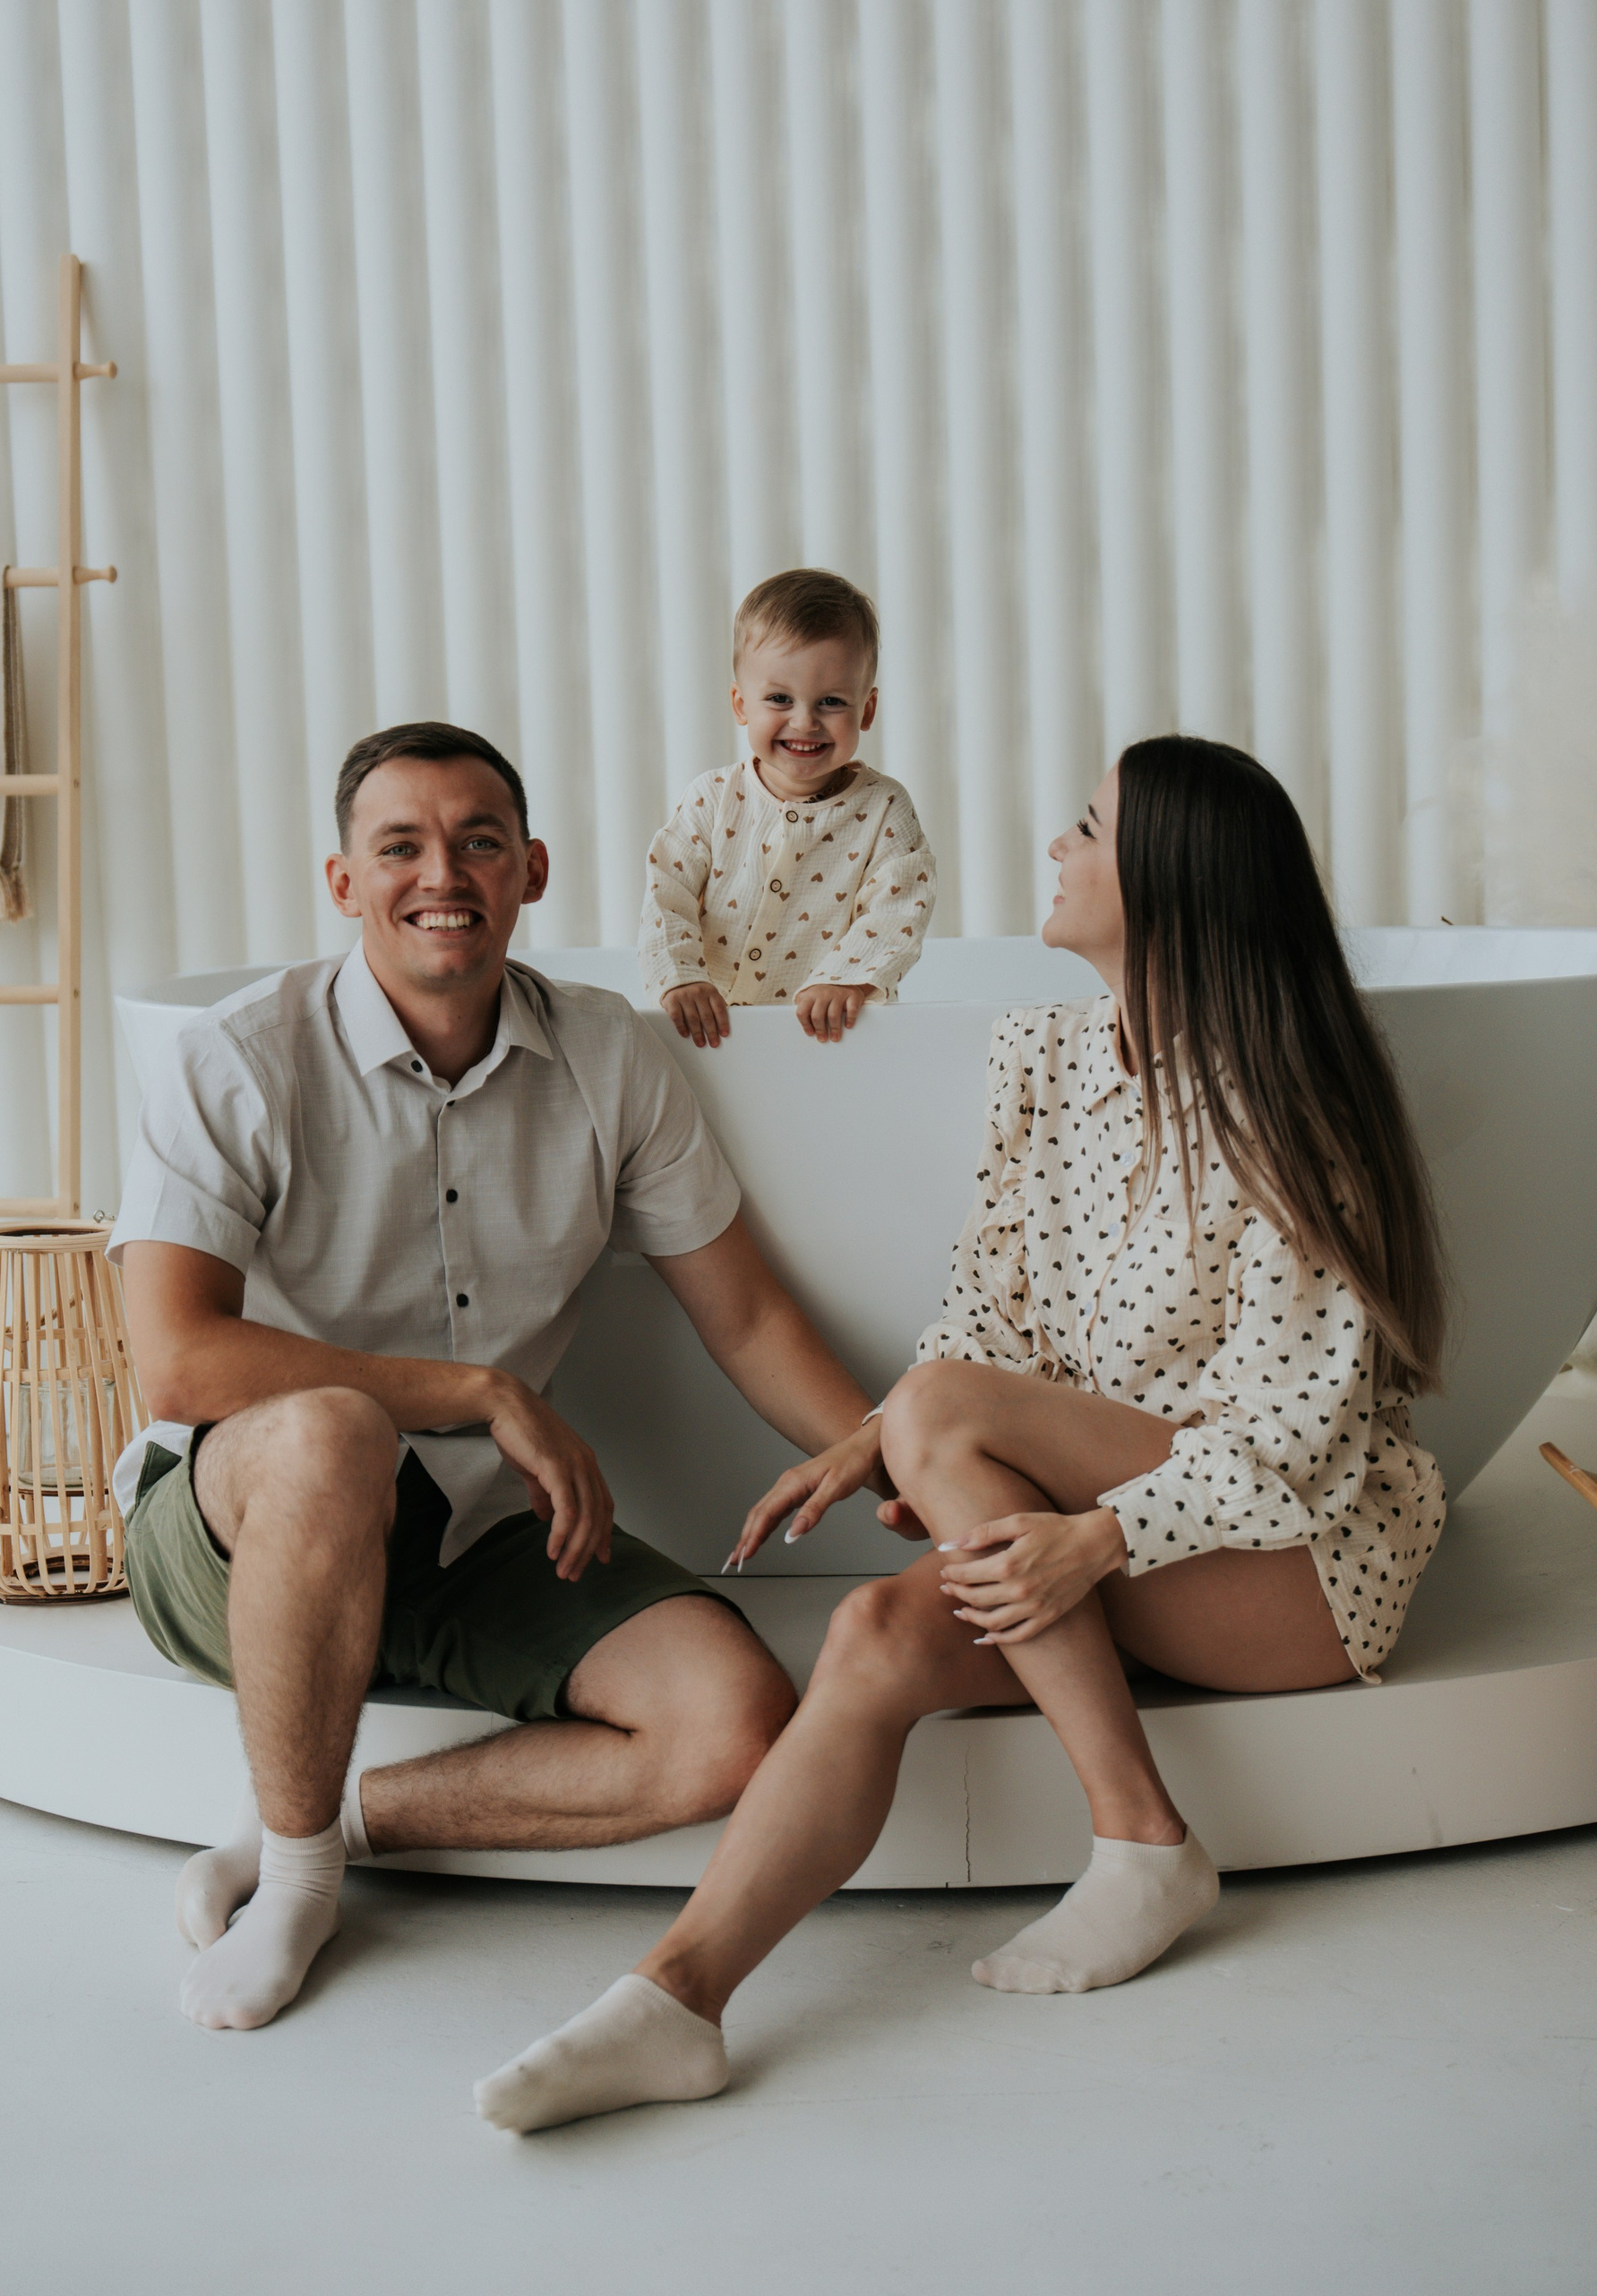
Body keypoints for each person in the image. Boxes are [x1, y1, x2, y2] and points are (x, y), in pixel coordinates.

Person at [476, 734, 1448, 2133]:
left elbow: (1305, 1440)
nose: (1056, 848)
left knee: (938, 1410)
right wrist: (874, 1442)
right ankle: (675, 2001)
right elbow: (987, 1316)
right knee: (874, 1632)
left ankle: (1142, 1837)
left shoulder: (1290, 1112)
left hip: (1294, 1567)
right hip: (1115, 1540)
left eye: (1087, 830)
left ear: (1172, 883)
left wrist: (1093, 1536)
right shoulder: (1043, 1058)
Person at [109, 721, 880, 2032]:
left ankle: (335, 1822)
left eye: (477, 842)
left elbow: (748, 1318)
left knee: (735, 1725)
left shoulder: (611, 1055)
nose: (441, 875)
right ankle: (294, 1887)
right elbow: (177, 1360)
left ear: (530, 869)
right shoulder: (238, 1055)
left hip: (479, 1529)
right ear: (344, 882)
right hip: (239, 1530)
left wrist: (882, 1448)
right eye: (398, 847)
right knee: (333, 1434)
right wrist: (478, 1392)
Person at [639, 568, 936, 1047]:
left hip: (835, 1038)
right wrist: (680, 976)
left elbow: (899, 907)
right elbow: (666, 895)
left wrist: (847, 978)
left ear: (866, 710)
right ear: (741, 704)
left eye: (831, 702)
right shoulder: (711, 798)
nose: (805, 721)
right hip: (709, 1034)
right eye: (779, 699)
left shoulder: (884, 808)